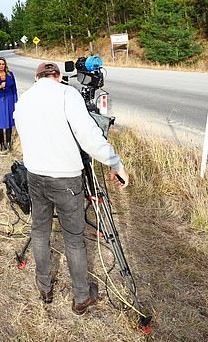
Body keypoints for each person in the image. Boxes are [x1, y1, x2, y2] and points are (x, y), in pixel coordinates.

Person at [14, 62, 129, 315]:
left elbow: (23, 132)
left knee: (40, 232)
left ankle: (44, 287)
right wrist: (115, 163)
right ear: (58, 77)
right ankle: (81, 296)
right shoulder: (67, 94)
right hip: (65, 178)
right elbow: (89, 135)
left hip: (35, 175)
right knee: (74, 239)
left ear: (37, 77)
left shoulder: (24, 99)